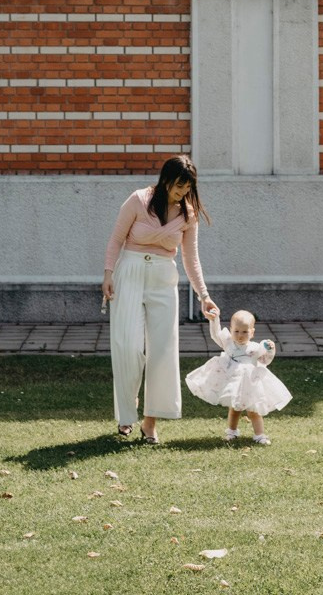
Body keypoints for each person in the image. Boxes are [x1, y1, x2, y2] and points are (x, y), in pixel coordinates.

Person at [102, 155, 218, 444]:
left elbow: (192, 259)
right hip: (129, 272)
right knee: (127, 346)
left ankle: (150, 422)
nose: (182, 193)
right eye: (178, 187)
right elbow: (116, 239)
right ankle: (127, 412)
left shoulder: (188, 214)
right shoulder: (138, 200)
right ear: (165, 179)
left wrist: (204, 295)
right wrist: (107, 274)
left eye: (186, 188)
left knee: (163, 350)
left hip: (163, 279)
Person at [185, 309, 291, 445]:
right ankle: (232, 431)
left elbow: (265, 361)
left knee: (253, 410)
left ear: (252, 332)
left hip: (249, 384)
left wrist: (270, 350)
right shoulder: (228, 343)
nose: (240, 335)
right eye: (236, 331)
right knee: (235, 409)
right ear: (231, 330)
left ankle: (260, 435)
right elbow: (215, 334)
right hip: (232, 382)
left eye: (245, 332)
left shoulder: (255, 348)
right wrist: (214, 319)